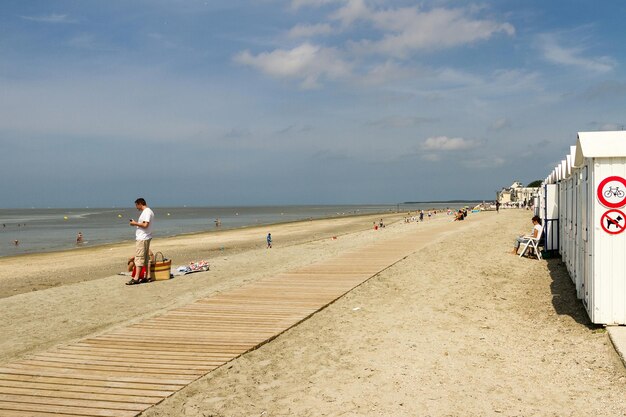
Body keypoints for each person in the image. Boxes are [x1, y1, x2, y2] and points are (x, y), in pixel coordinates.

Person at [127, 198, 154, 285]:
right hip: (146, 237)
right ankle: (148, 276)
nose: (136, 208)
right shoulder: (149, 211)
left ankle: (136, 278)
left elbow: (145, 225)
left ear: (140, 204)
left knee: (139, 257)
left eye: (136, 205)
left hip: (142, 237)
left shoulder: (146, 212)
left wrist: (134, 223)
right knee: (145, 258)